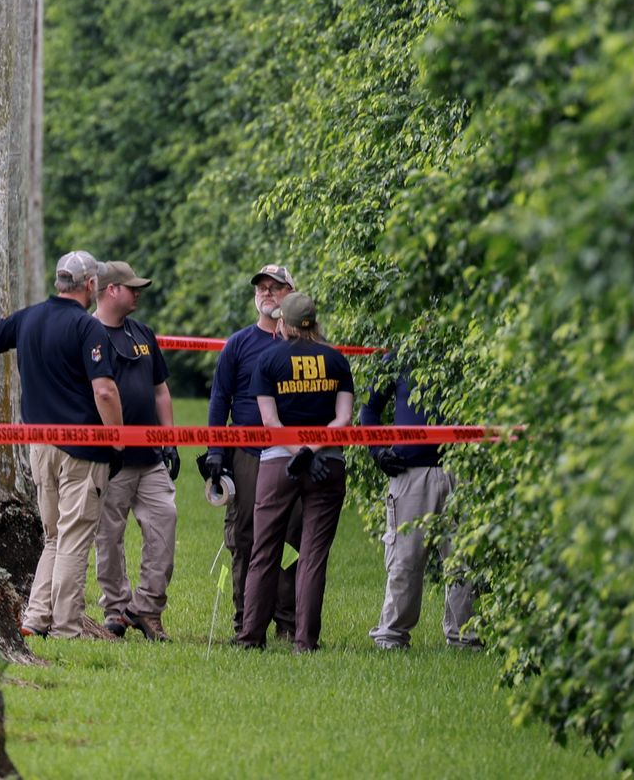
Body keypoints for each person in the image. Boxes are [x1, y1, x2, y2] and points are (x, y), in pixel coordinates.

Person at [0, 251, 121, 641]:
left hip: (39, 446)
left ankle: (35, 617)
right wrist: (117, 440)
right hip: (83, 448)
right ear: (90, 284)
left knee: (54, 537)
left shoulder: (29, 317)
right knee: (73, 538)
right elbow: (105, 391)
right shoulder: (88, 328)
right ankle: (67, 628)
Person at [238, 293, 352, 652]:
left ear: (283, 324)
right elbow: (343, 419)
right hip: (327, 464)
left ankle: (251, 637)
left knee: (264, 551)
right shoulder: (336, 360)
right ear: (314, 323)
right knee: (313, 555)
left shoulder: (268, 359)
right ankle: (305, 642)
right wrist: (312, 451)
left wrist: (297, 452)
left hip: (278, 463)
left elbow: (271, 422)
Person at [198, 263, 303, 641]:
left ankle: (287, 622)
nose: (267, 293)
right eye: (261, 287)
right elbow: (219, 400)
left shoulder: (303, 346)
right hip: (247, 453)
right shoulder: (238, 344)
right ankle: (245, 620)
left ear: (291, 293)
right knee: (244, 537)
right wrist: (215, 450)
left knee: (291, 537)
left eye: (275, 287)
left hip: (292, 454)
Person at [84, 260, 179, 642]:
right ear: (111, 290)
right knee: (108, 538)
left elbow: (160, 391)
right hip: (111, 459)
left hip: (150, 457)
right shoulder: (87, 333)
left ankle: (147, 609)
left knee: (164, 525)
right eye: (131, 287)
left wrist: (170, 440)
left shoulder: (142, 333)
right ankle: (116, 609)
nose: (138, 292)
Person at [361, 367, 480, 650]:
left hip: (460, 469)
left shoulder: (465, 354)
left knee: (463, 561)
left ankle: (466, 638)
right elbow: (369, 408)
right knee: (405, 560)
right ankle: (391, 637)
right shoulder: (399, 358)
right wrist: (378, 451)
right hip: (409, 472)